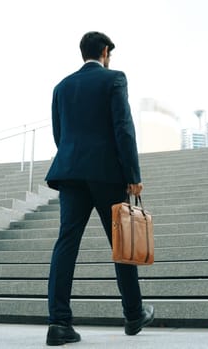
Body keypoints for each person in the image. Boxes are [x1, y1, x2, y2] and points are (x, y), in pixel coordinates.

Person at [44, 31, 154, 346]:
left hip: (71, 173)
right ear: (105, 52)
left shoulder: (61, 87)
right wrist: (132, 173)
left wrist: (74, 161)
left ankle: (58, 323)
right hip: (107, 174)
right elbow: (123, 127)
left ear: (83, 53)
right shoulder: (114, 79)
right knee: (122, 242)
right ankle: (133, 314)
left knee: (65, 245)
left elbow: (59, 133)